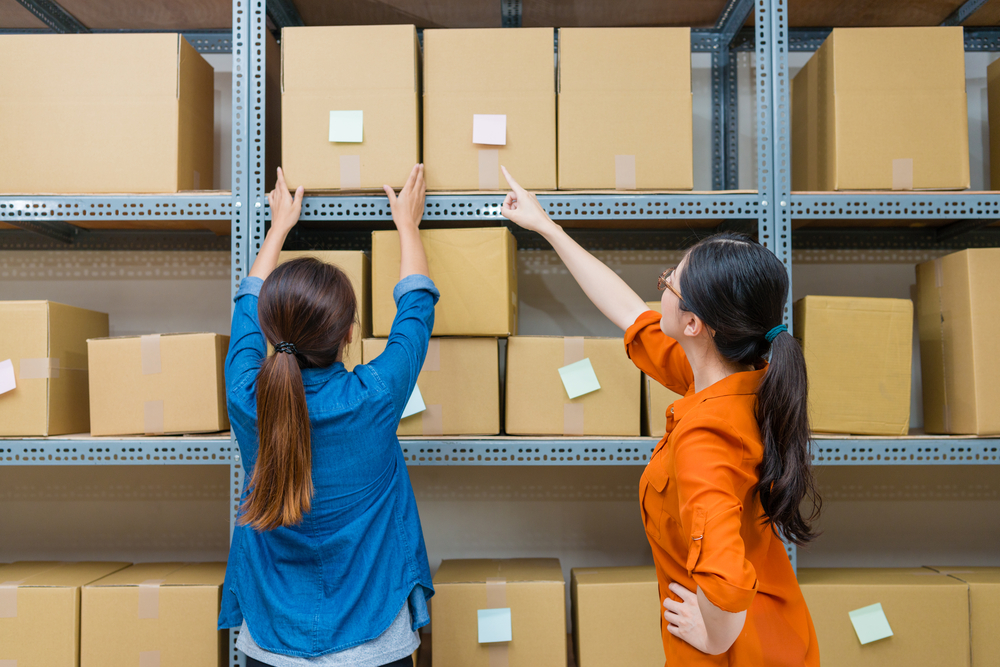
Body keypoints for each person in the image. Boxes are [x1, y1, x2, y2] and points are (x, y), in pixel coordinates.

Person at [500, 166, 821, 666]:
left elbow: (727, 579)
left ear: (694, 324)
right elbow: (631, 314)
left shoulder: (706, 436)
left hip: (738, 653)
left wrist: (715, 636)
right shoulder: (742, 377)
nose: (663, 285)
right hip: (779, 632)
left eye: (670, 281)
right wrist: (548, 229)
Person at [219, 164, 436, 667]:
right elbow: (416, 309)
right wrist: (407, 224)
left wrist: (277, 229)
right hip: (373, 641)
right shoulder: (374, 395)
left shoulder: (246, 398)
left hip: (271, 643)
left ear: (270, 330)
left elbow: (246, 308)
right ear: (349, 335)